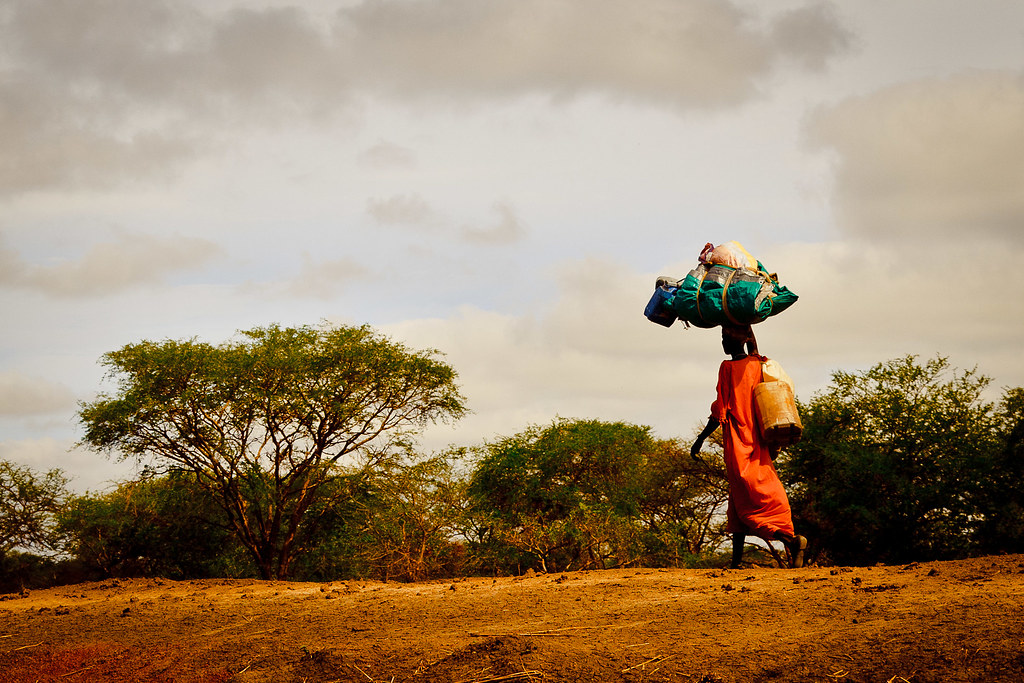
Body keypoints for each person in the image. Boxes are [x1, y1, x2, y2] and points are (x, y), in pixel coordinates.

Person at [690, 324, 807, 569]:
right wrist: (740, 319)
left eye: (725, 336)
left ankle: (790, 540)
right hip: (758, 444)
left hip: (739, 443)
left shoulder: (727, 368)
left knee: (749, 500)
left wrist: (700, 439)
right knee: (740, 498)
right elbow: (753, 343)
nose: (722, 341)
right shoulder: (758, 363)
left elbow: (720, 411)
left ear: (737, 340)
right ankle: (735, 562)